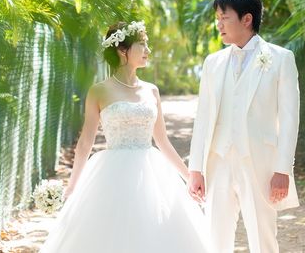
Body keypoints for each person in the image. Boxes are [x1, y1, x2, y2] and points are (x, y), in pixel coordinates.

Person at [40, 21, 212, 253]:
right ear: (123, 50)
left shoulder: (151, 90)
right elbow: (85, 143)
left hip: (152, 173)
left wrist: (189, 177)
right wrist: (72, 187)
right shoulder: (99, 91)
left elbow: (162, 141)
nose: (148, 50)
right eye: (142, 44)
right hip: (112, 176)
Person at [188, 0, 300, 253]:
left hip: (260, 163)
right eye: (217, 18)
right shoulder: (212, 63)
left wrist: (282, 170)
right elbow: (203, 117)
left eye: (224, 18)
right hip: (218, 161)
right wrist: (195, 169)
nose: (219, 25)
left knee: (263, 239)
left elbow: (289, 119)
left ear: (247, 19)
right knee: (215, 239)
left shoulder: (281, 59)